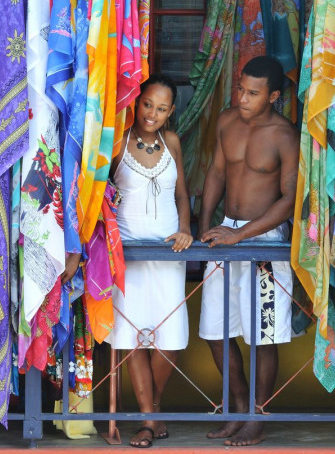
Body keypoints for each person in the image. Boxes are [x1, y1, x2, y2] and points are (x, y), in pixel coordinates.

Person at [198, 55, 300, 447]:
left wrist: (240, 238)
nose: (242, 97)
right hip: (224, 233)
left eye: (253, 93)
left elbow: (289, 200)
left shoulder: (285, 135)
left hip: (265, 241)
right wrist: (205, 224)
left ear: (273, 95)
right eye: (241, 88)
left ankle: (258, 416)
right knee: (215, 330)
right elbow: (217, 172)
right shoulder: (226, 121)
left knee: (263, 335)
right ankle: (239, 407)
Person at [106, 75, 193, 448]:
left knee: (168, 339)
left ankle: (151, 408)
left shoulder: (172, 142)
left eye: (161, 108)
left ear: (171, 111)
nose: (152, 114)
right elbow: (96, 193)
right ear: (136, 102)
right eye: (147, 105)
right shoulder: (118, 143)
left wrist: (186, 229)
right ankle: (146, 420)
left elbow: (183, 196)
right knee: (133, 338)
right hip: (128, 255)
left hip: (169, 253)